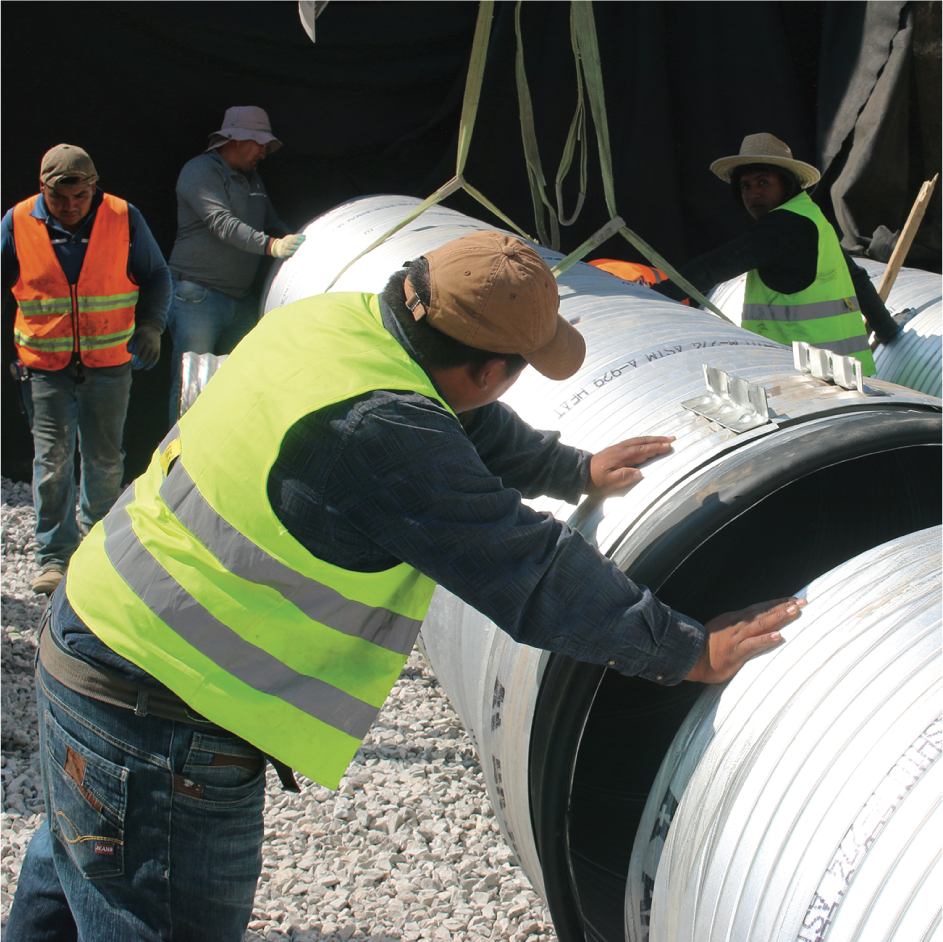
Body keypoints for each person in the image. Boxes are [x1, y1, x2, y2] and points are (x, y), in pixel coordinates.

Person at [5, 231, 804, 940]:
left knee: (71, 885)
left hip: (97, 636)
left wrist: (567, 468)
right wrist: (690, 649)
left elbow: (454, 413)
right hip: (161, 712)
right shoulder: (381, 434)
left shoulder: (340, 322)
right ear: (492, 371)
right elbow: (529, 572)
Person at [0, 144, 171, 596]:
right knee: (52, 460)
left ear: (94, 187)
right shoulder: (17, 223)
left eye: (82, 196)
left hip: (109, 363)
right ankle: (54, 557)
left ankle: (98, 550)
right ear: (43, 190)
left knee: (103, 458)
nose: (72, 207)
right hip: (45, 367)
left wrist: (152, 326)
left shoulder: (123, 216)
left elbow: (157, 275)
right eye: (61, 199)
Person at [652, 132, 901, 373]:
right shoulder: (811, 218)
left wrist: (651, 299)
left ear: (786, 182)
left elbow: (711, 268)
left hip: (804, 375)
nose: (753, 193)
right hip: (844, 372)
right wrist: (887, 330)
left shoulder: (783, 226)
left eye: (763, 182)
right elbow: (856, 277)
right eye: (745, 186)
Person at [166, 105, 306, 422]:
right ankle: (177, 462)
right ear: (236, 139)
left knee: (243, 377)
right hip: (197, 297)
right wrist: (274, 246)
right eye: (260, 144)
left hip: (239, 300)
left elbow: (272, 222)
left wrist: (298, 240)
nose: (264, 153)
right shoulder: (200, 171)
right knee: (192, 386)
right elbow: (222, 224)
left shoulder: (253, 179)